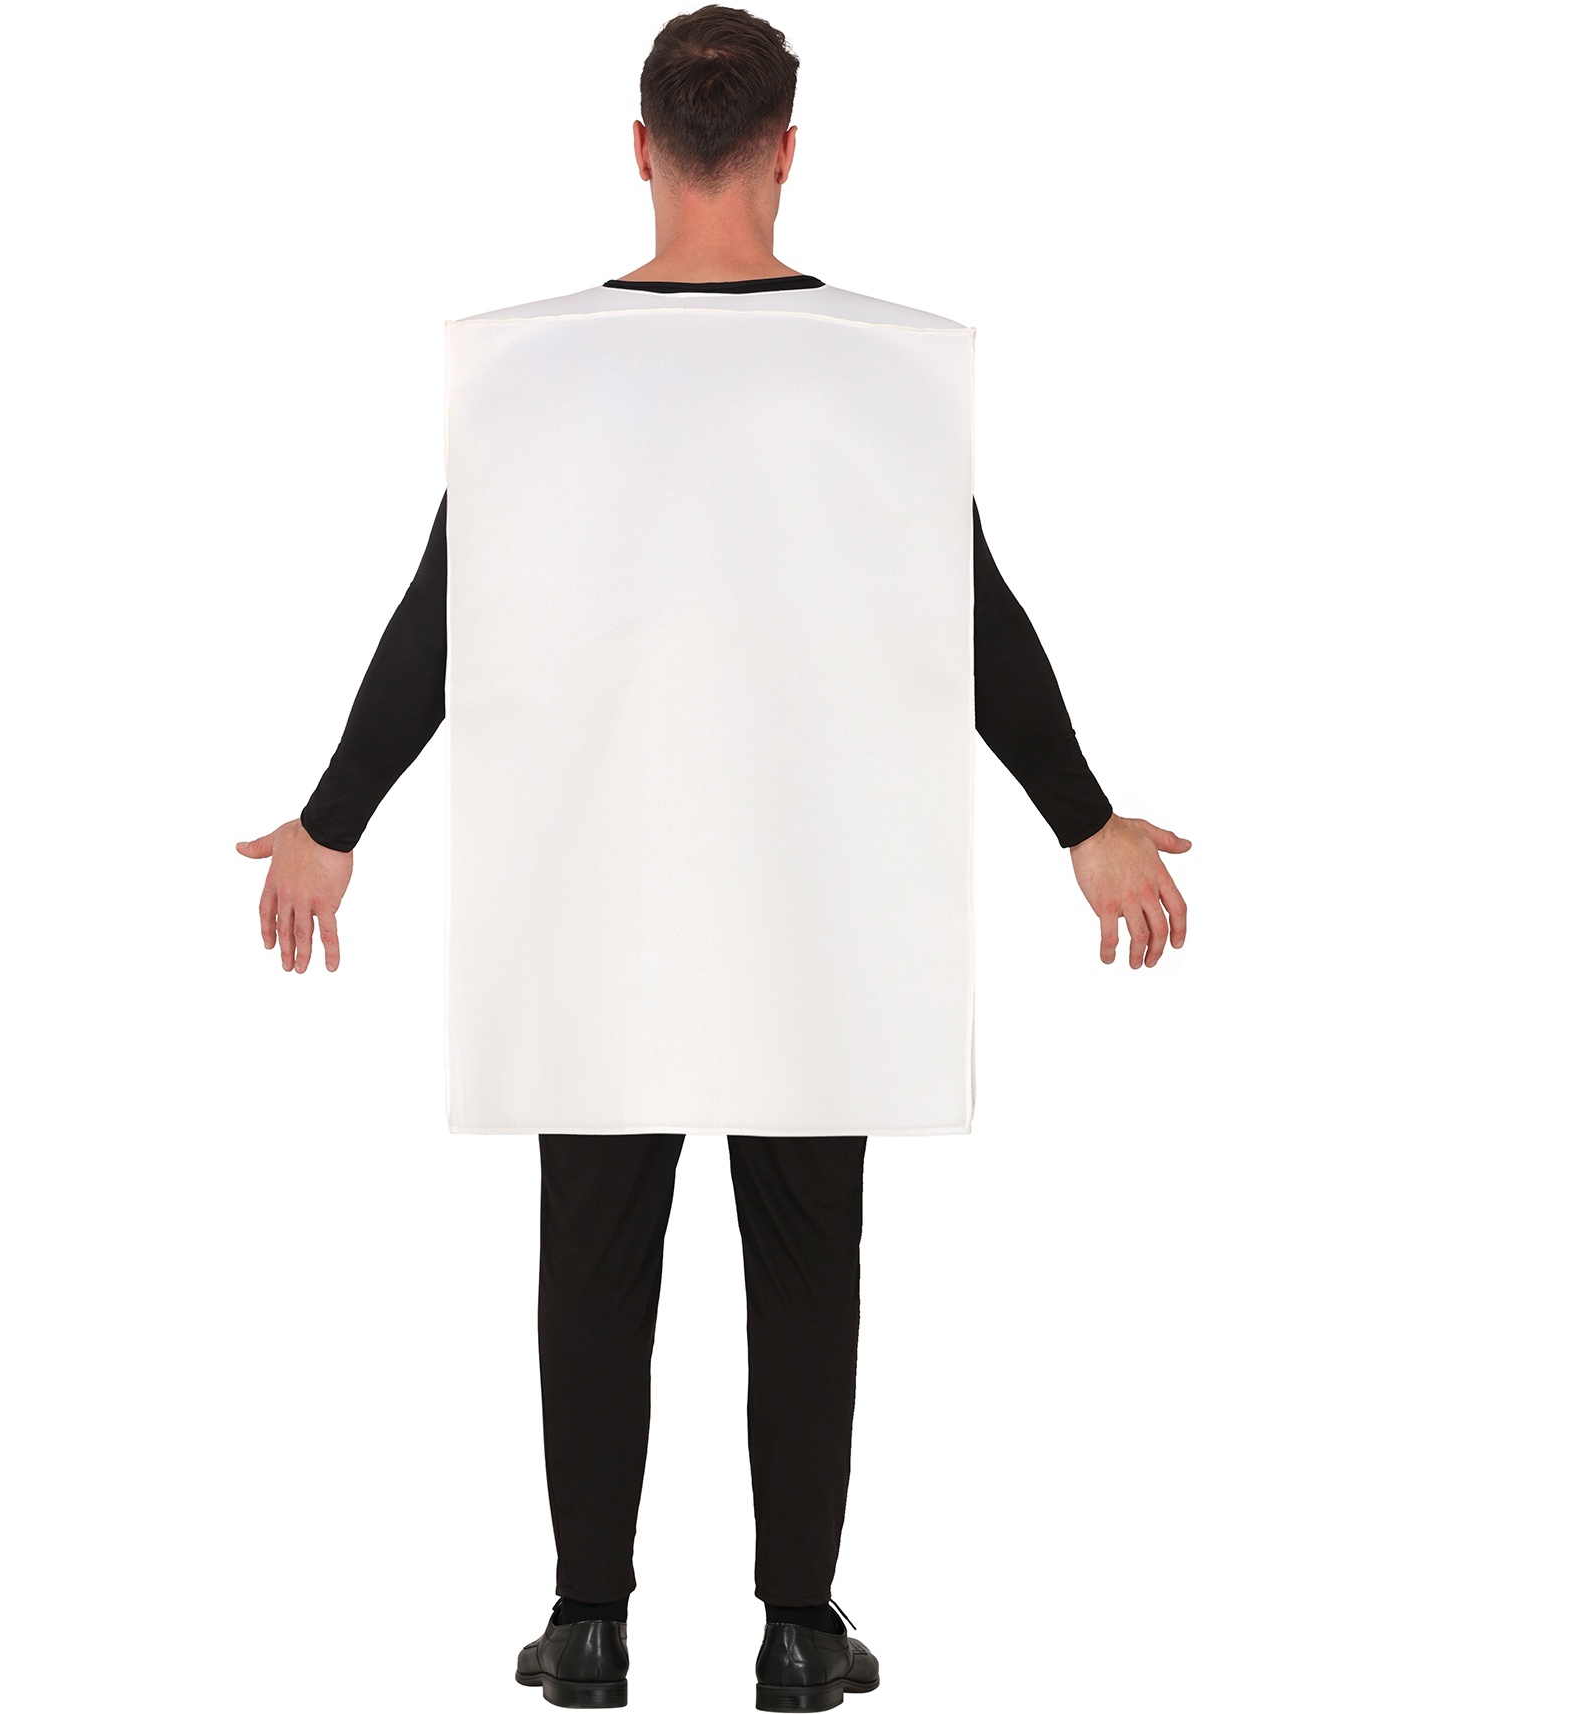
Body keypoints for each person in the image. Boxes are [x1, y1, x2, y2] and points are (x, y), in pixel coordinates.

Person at [238, 9, 1189, 1709]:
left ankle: (586, 1620)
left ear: (638, 146)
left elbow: (443, 615)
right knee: (808, 1262)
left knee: (591, 1259)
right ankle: (800, 1627)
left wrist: (332, 822)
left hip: (593, 900)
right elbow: (969, 617)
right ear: (787, 149)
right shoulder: (884, 367)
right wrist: (1084, 821)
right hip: (814, 896)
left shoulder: (528, 368)